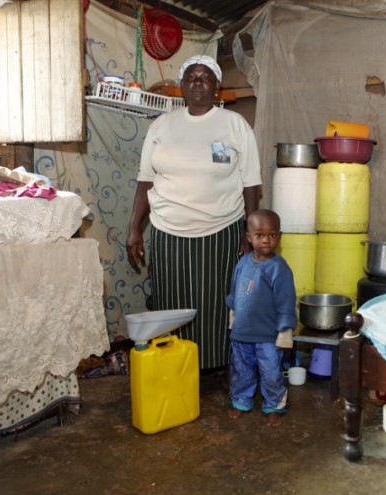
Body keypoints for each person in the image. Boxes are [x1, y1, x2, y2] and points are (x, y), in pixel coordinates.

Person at [126, 55, 262, 372]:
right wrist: (134, 227)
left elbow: (251, 184)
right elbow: (145, 181)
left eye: (205, 76)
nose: (198, 81)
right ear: (183, 85)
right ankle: (176, 365)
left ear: (216, 87)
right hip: (167, 231)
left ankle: (218, 367)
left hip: (221, 229)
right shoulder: (162, 126)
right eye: (191, 76)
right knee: (171, 303)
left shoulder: (234, 125)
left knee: (218, 304)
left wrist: (249, 231)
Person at [225, 209, 297, 427]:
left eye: (272, 234)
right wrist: (233, 316)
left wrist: (285, 332)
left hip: (267, 336)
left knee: (271, 373)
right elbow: (235, 292)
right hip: (242, 333)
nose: (267, 239)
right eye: (260, 235)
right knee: (241, 369)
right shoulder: (243, 263)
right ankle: (240, 400)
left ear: (279, 236)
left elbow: (286, 302)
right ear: (249, 237)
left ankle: (274, 405)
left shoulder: (280, 269)